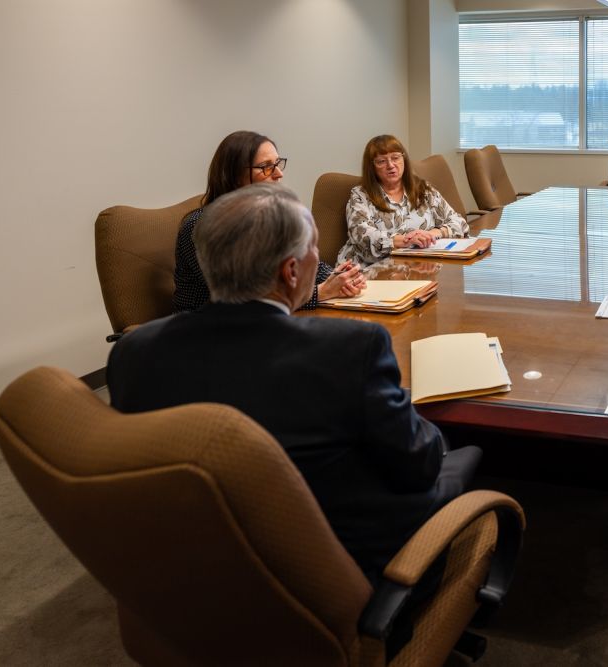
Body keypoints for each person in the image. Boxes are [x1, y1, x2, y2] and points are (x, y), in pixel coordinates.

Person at [110, 182, 482, 590]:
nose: (319, 262)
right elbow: (419, 464)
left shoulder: (133, 353)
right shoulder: (349, 351)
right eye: (314, 252)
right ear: (290, 271)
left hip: (192, 578)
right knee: (460, 454)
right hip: (340, 575)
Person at [173, 130, 364, 312]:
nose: (278, 174)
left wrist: (340, 278)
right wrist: (320, 293)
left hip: (264, 324)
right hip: (206, 333)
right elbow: (244, 296)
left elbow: (299, 261)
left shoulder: (272, 217)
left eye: (278, 163)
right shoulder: (201, 226)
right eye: (266, 167)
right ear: (235, 176)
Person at [336, 134, 469, 266]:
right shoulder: (360, 195)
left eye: (395, 158)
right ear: (372, 167)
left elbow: (460, 223)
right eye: (382, 161)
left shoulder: (423, 190)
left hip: (418, 268)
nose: (391, 165)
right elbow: (362, 237)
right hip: (365, 273)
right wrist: (407, 240)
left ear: (403, 159)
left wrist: (431, 234)